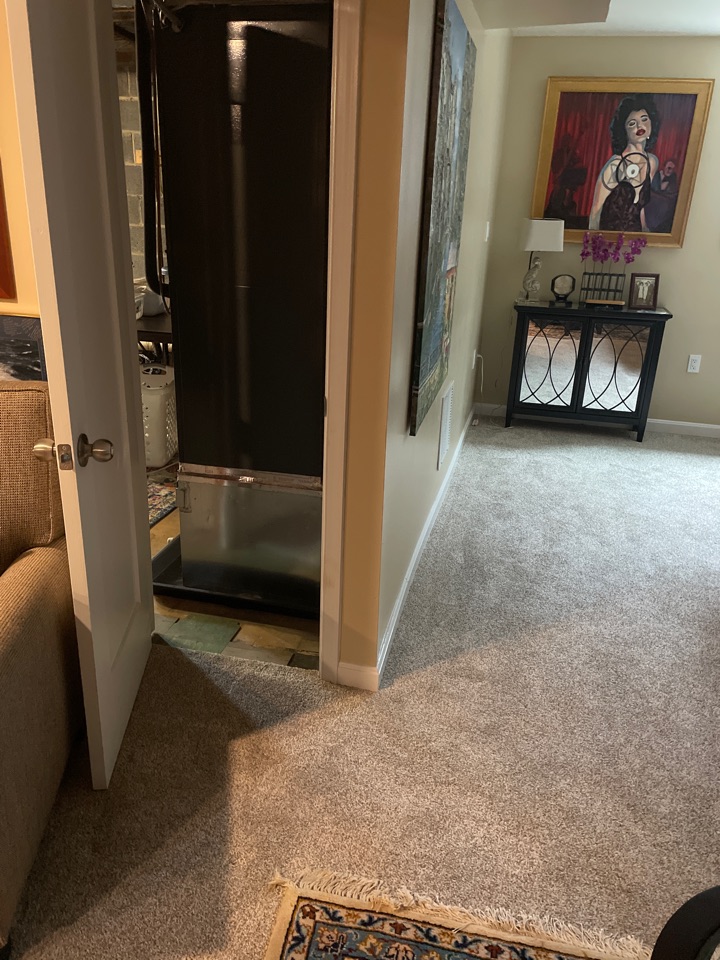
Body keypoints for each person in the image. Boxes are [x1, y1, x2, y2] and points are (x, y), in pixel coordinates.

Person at [589, 95, 660, 232]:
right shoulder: (614, 166)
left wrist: (645, 232)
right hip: (609, 238)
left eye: (644, 119)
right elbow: (595, 213)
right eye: (632, 123)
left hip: (635, 238)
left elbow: (640, 206)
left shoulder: (652, 162)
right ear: (624, 131)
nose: (640, 126)